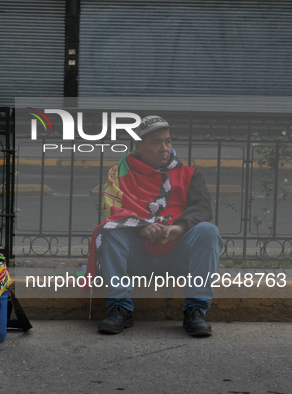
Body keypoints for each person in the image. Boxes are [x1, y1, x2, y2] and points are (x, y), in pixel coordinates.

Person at [86, 115, 222, 337]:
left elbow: (203, 208)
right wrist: (140, 227)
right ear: (139, 146)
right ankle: (120, 308)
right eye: (156, 142)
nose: (165, 148)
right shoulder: (120, 174)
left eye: (168, 141)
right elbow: (113, 210)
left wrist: (178, 227)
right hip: (138, 255)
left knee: (208, 231)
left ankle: (195, 310)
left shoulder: (189, 174)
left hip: (177, 252)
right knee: (107, 231)